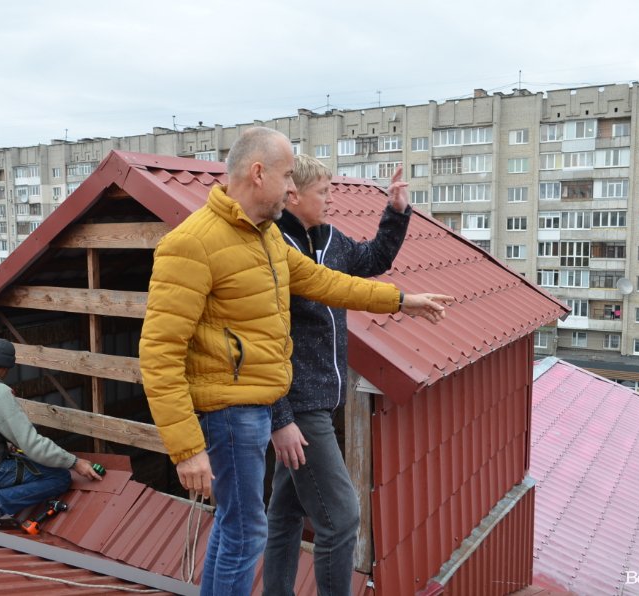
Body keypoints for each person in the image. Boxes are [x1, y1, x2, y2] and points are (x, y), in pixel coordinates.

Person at [139, 126, 453, 596]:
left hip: (256, 408)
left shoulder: (265, 239)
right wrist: (186, 449)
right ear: (258, 173)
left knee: (238, 525)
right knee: (246, 531)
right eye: (287, 176)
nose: (292, 188)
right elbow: (159, 353)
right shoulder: (193, 243)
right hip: (229, 412)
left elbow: (328, 283)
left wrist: (401, 300)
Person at [263, 156, 416, 595]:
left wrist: (396, 213)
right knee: (342, 518)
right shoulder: (274, 248)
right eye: (323, 192)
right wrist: (281, 416)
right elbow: (261, 342)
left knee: (285, 512)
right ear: (294, 195)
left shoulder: (331, 240)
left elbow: (374, 258)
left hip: (323, 402)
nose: (330, 200)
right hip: (299, 407)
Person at [0, 338, 103, 528]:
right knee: (59, 477)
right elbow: (32, 445)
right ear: (6, 368)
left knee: (19, 461)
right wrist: (75, 462)